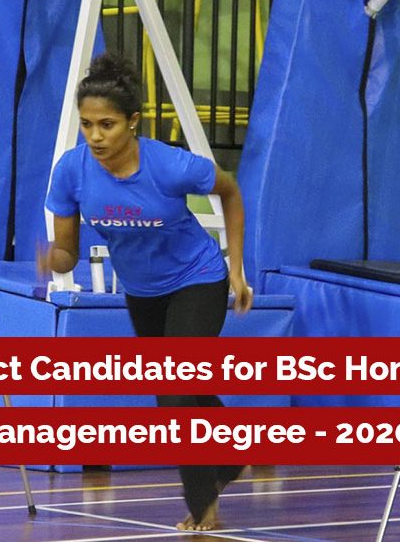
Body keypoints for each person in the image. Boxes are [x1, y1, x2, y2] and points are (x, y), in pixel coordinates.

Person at [40, 52, 253, 531]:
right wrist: (52, 259)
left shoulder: (171, 166)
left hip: (197, 279)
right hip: (142, 292)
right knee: (186, 388)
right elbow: (67, 252)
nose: (96, 136)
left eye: (107, 125)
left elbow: (230, 191)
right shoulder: (71, 171)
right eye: (87, 125)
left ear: (133, 121)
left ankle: (203, 502)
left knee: (174, 390)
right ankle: (234, 453)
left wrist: (237, 270)